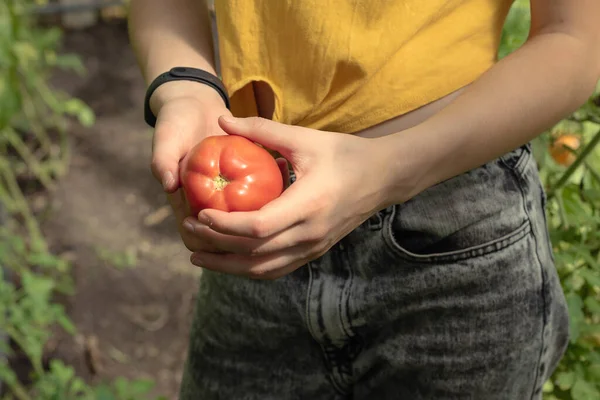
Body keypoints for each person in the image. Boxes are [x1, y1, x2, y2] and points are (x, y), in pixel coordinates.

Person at [128, 1, 600, 398]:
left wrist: (389, 169)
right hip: (257, 233)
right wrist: (186, 87)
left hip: (454, 234)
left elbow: (574, 38)